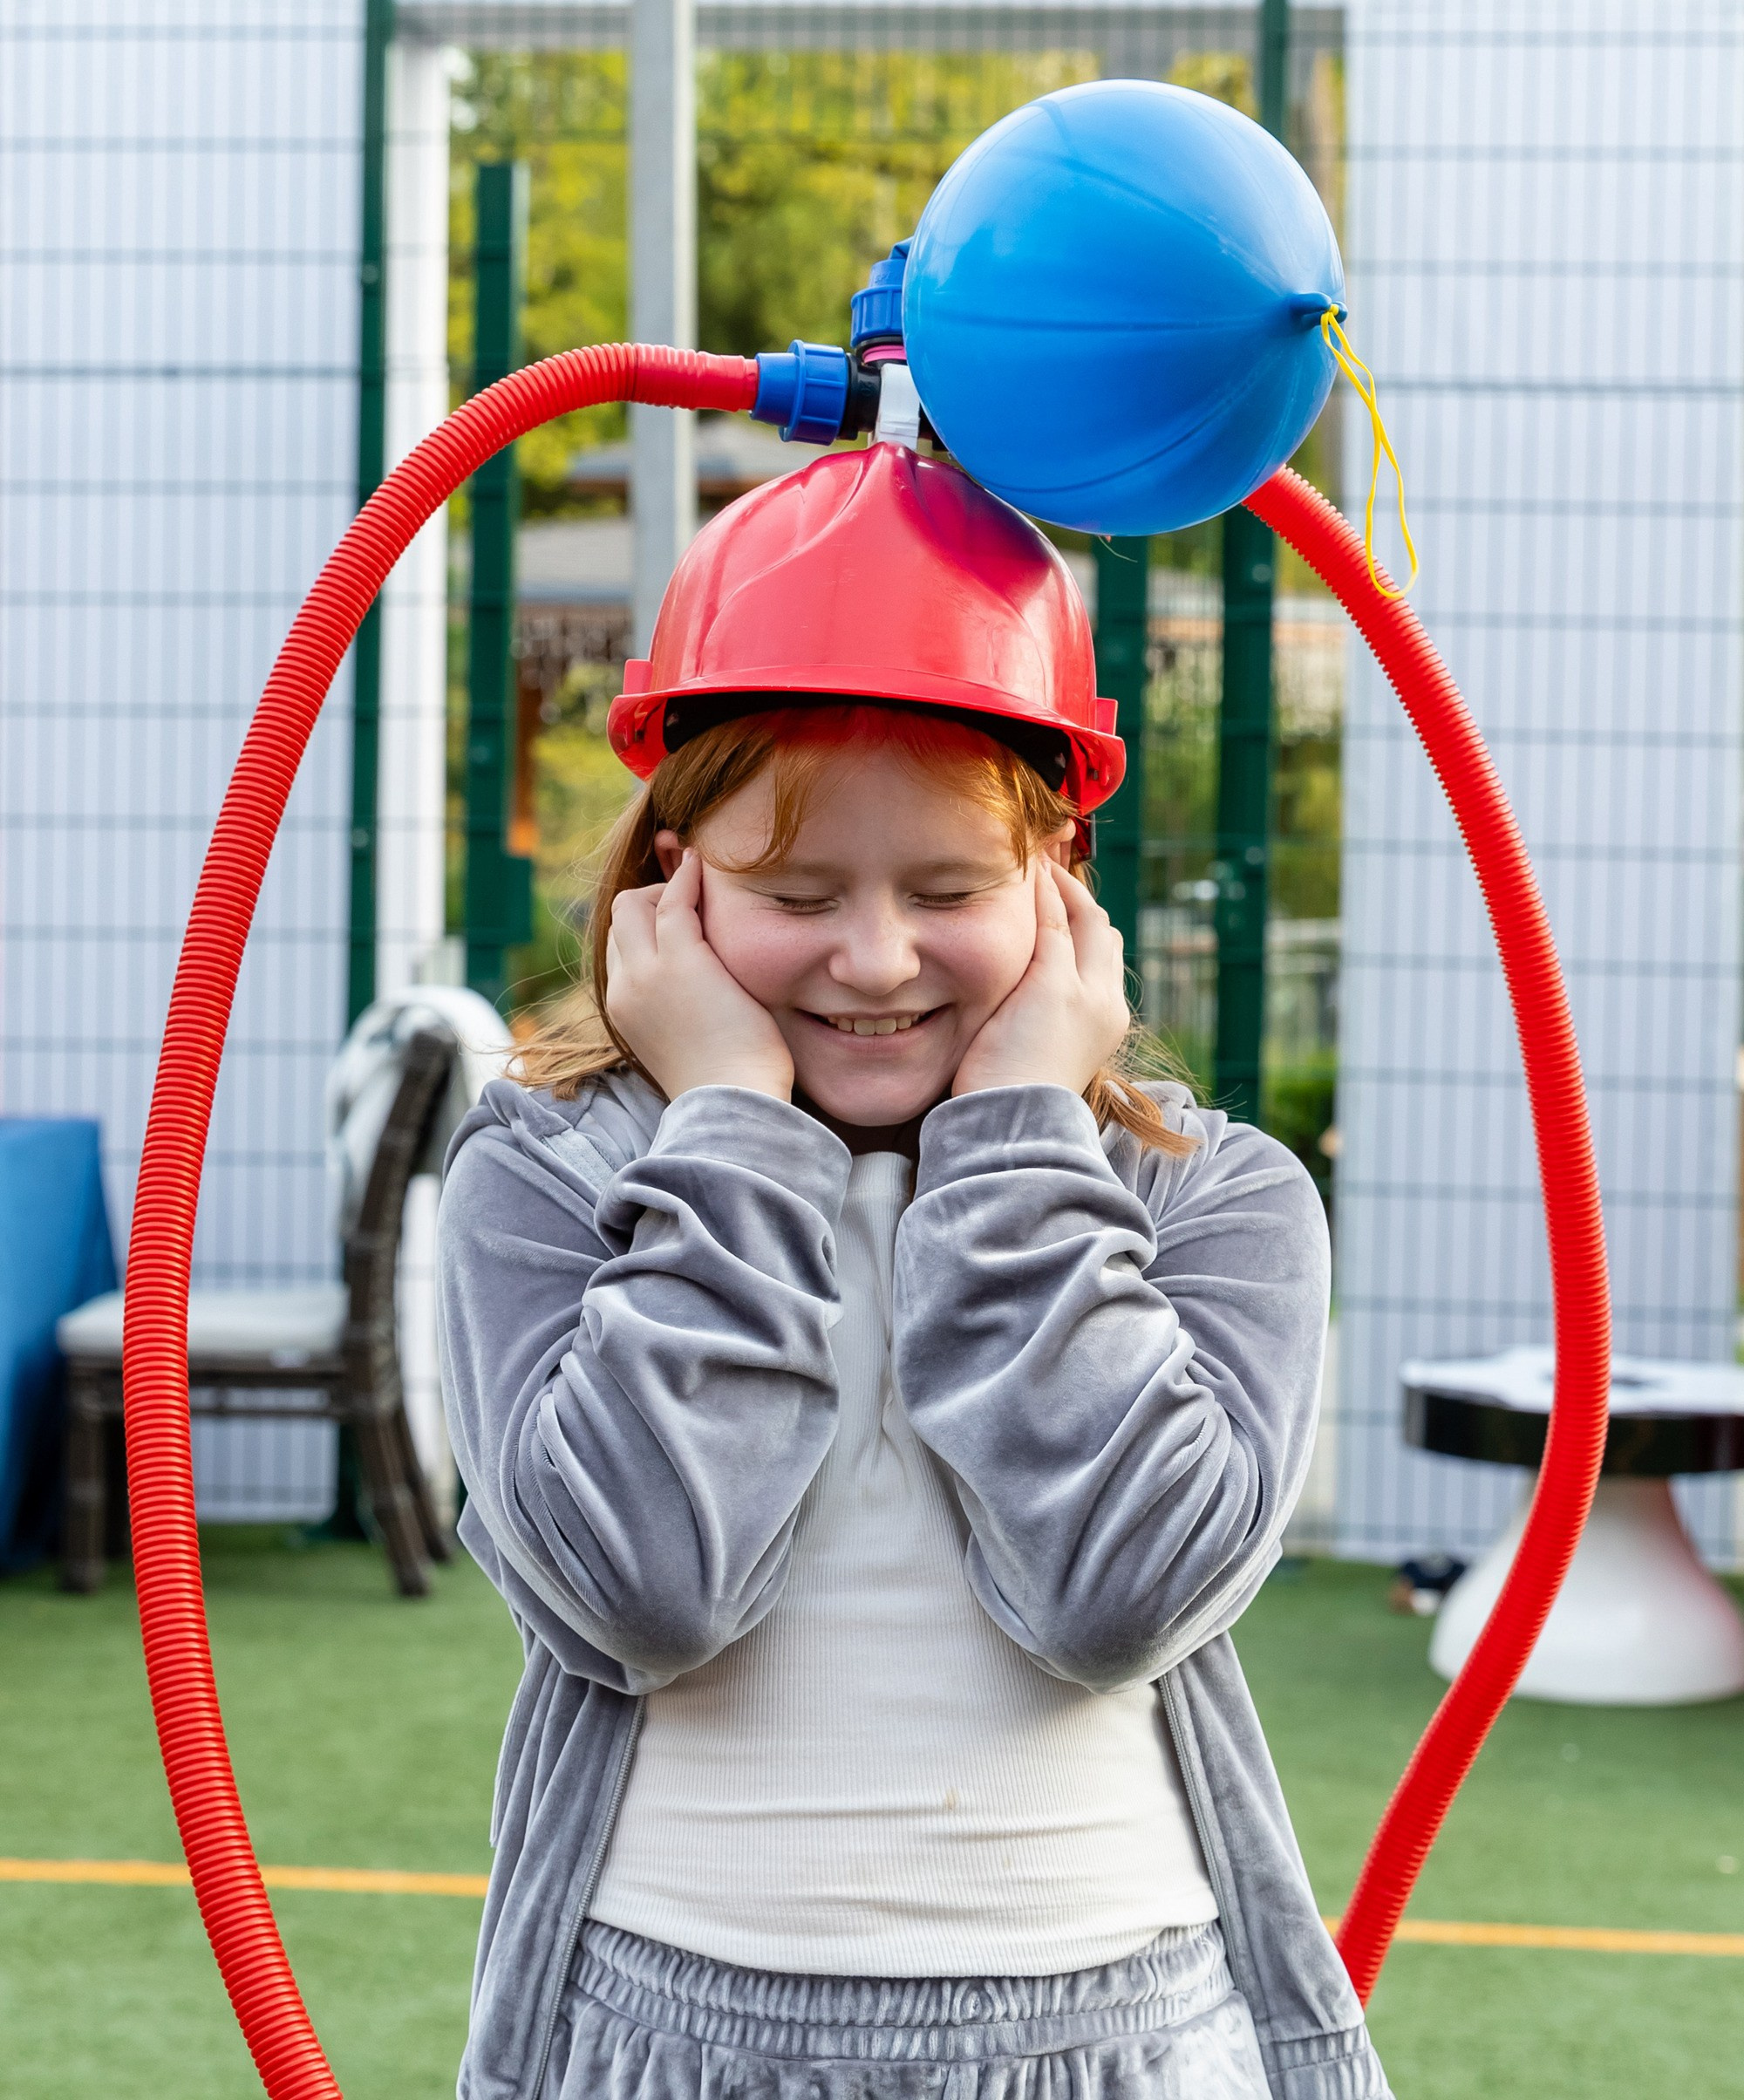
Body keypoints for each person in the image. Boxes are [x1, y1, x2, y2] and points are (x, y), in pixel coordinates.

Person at [438, 425, 1392, 2100]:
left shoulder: (1214, 1198)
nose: (874, 959)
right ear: (675, 888)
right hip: (668, 2035)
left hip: (1119, 2032)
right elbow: (640, 1589)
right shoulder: (541, 1177)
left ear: (1061, 881)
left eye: (947, 886)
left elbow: (1119, 1598)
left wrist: (1023, 1124)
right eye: (796, 890)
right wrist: (729, 1119)